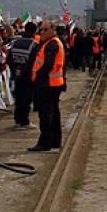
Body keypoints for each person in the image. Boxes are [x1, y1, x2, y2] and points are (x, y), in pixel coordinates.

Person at [28, 20, 66, 152]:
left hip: (48, 84)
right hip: (53, 83)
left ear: (52, 30)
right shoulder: (51, 43)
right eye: (41, 30)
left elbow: (48, 65)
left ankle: (45, 142)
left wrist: (37, 75)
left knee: (46, 114)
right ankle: (55, 140)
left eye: (45, 30)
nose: (42, 32)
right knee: (54, 113)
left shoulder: (52, 44)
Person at [8, 21, 38, 128]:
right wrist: (24, 71)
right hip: (28, 76)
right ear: (35, 31)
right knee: (27, 98)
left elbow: (9, 58)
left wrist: (15, 70)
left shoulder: (15, 42)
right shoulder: (34, 45)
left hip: (16, 75)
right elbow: (33, 62)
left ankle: (17, 119)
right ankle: (24, 121)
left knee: (18, 97)